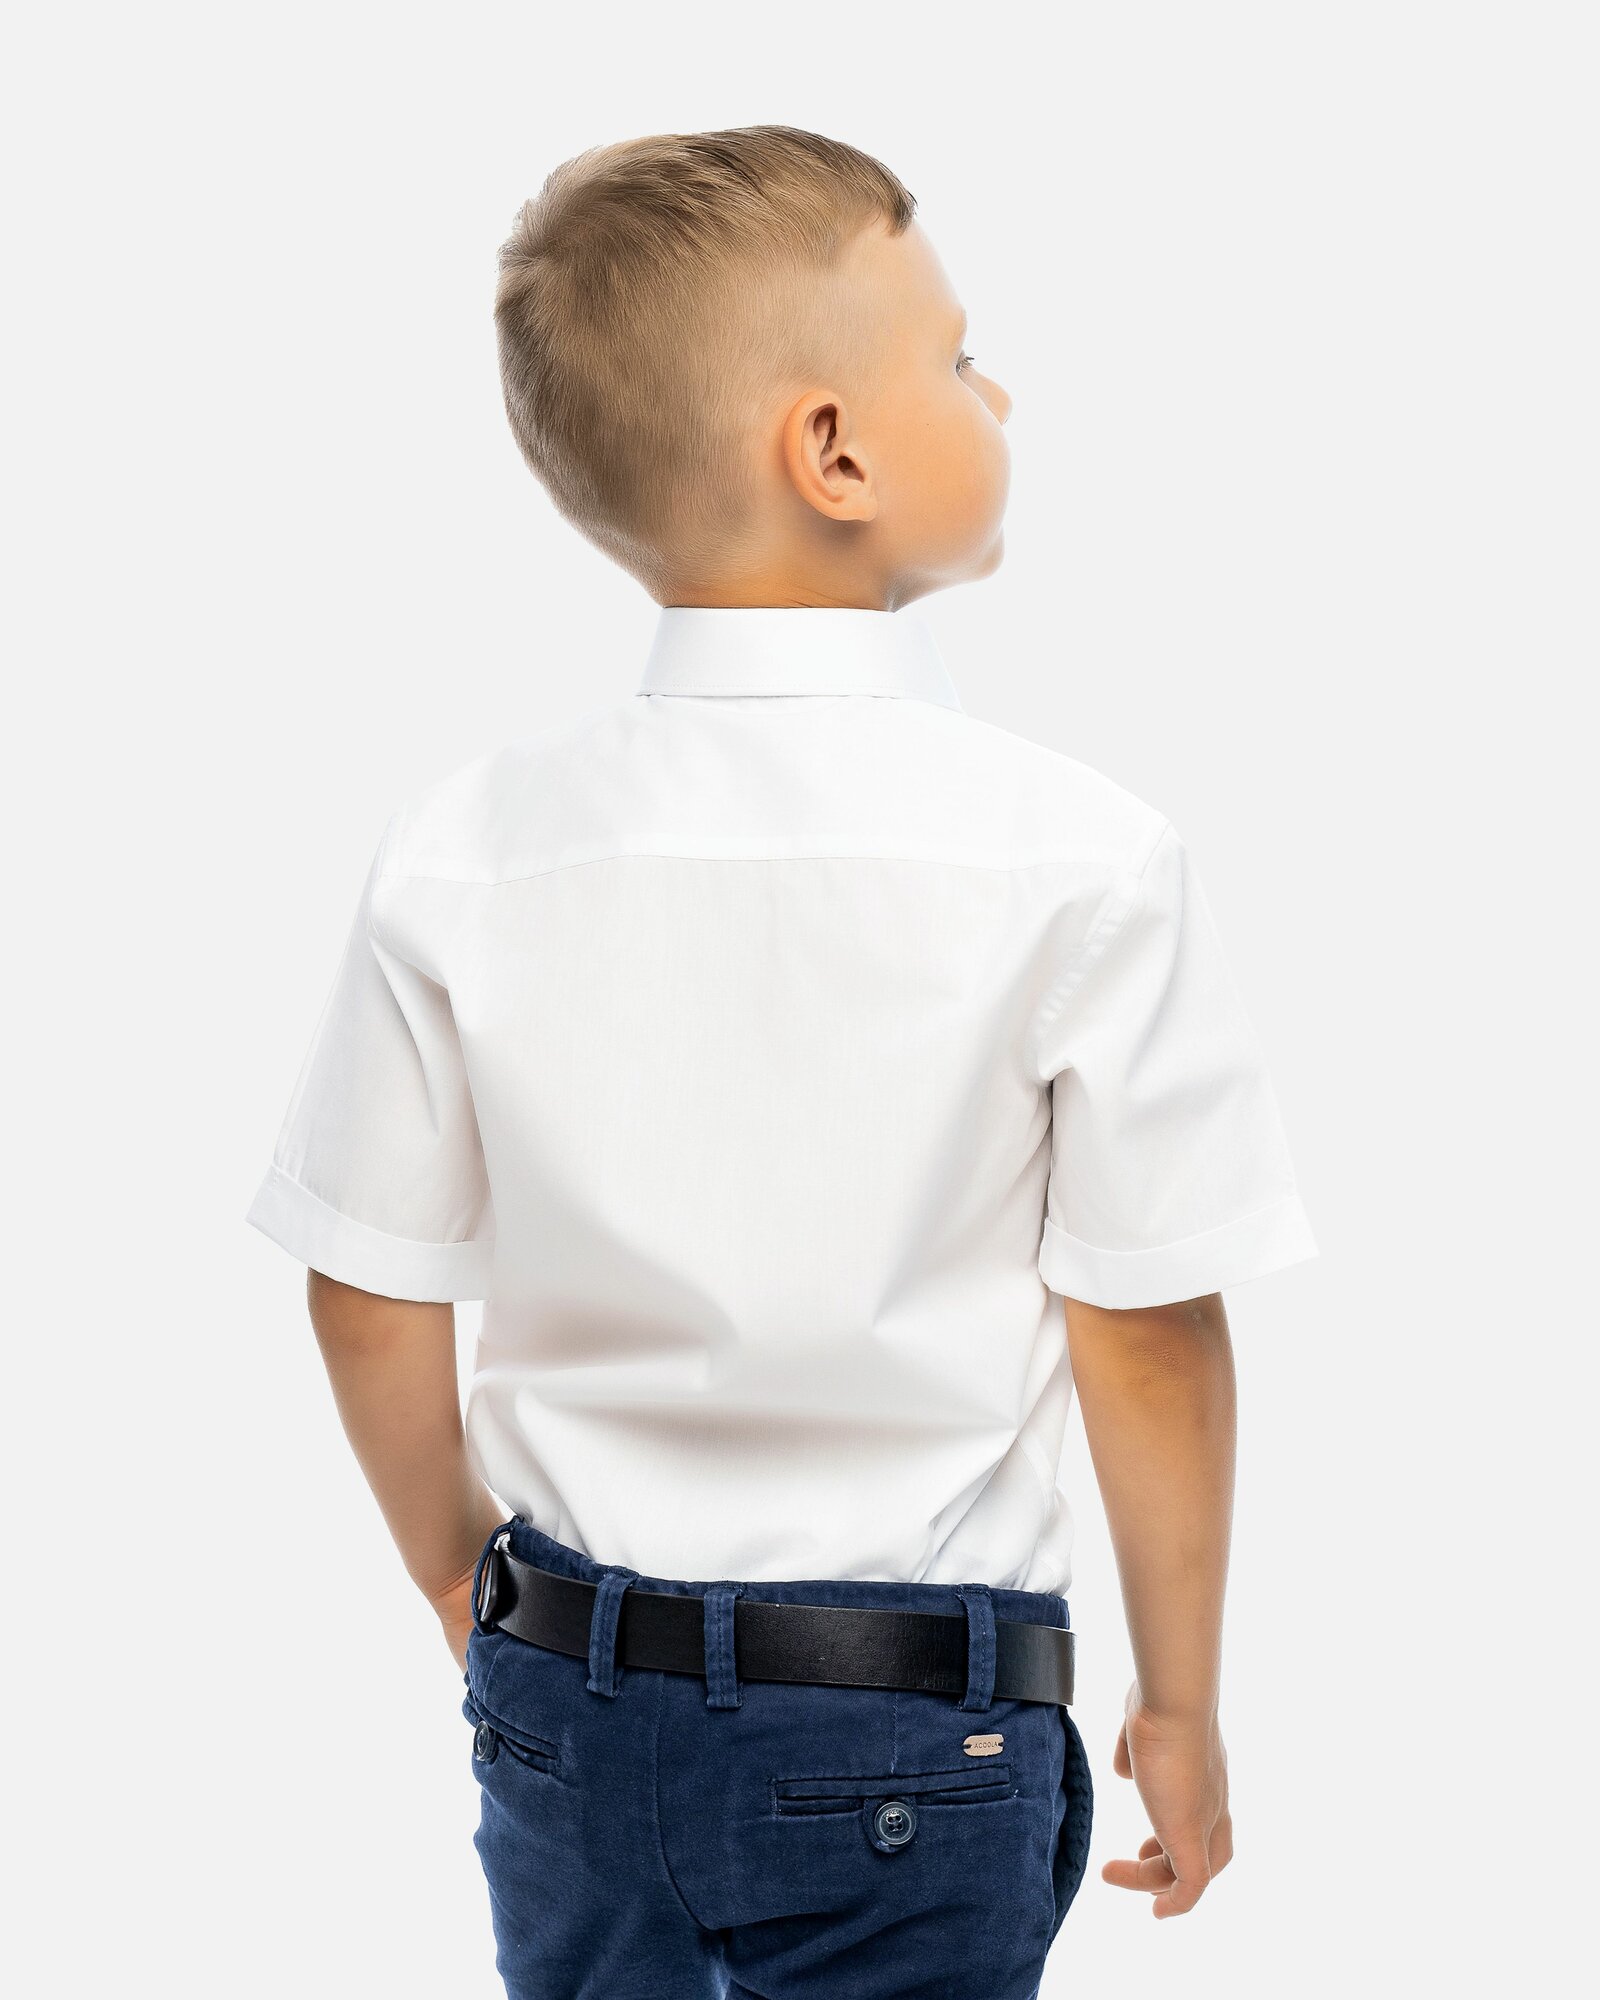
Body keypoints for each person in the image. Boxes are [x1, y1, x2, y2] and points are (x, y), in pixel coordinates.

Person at [245, 125, 1318, 1998]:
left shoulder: (467, 844)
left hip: (569, 1702)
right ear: (835, 453)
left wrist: (448, 1568)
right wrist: (1182, 1701)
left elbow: (365, 1284)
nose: (1001, 391)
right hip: (908, 1727)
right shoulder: (1081, 858)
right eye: (962, 358)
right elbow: (1145, 1329)